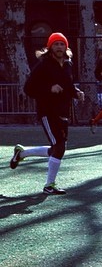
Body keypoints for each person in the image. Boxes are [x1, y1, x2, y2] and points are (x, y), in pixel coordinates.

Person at [11, 32, 85, 195]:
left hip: (63, 111)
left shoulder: (67, 64)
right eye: (56, 44)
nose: (59, 47)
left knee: (57, 148)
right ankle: (49, 186)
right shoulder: (43, 65)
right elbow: (28, 88)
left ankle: (21, 153)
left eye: (62, 44)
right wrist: (49, 89)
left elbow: (68, 85)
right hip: (47, 111)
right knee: (59, 147)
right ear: (50, 47)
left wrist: (76, 92)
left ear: (66, 46)